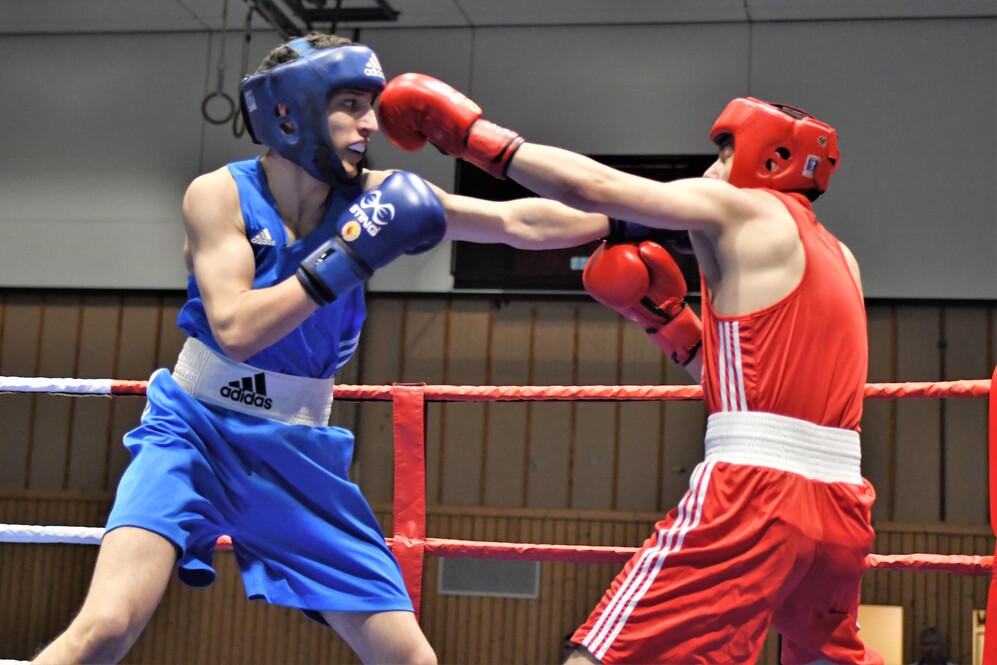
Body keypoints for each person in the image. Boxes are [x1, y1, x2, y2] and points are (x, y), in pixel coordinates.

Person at [32, 33, 617, 665]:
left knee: (410, 660)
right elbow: (233, 327)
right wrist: (349, 254)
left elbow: (517, 223)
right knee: (107, 626)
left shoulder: (378, 194)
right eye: (351, 104)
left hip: (299, 452)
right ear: (292, 112)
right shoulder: (219, 194)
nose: (372, 123)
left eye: (373, 104)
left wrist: (639, 216)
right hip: (194, 430)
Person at [377, 75, 880, 664]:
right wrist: (671, 328)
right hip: (844, 508)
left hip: (754, 496)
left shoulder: (740, 207)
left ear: (768, 158)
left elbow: (596, 189)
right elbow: (767, 389)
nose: (712, 167)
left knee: (602, 656)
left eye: (723, 152)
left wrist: (474, 138)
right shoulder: (843, 258)